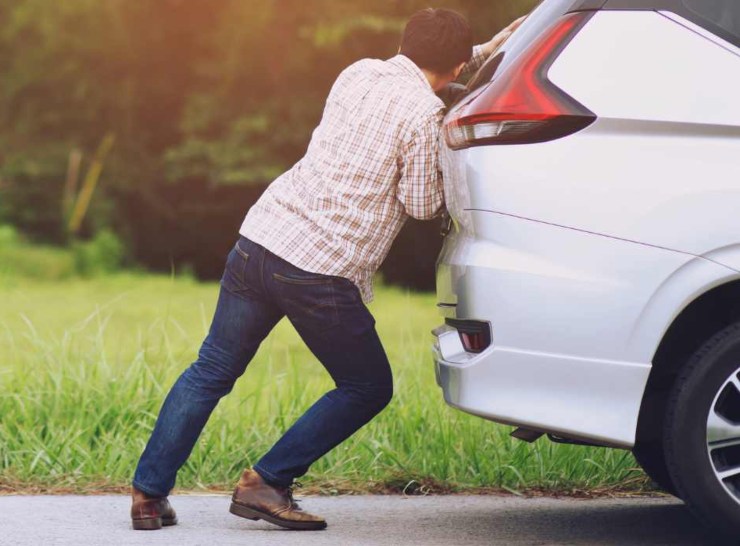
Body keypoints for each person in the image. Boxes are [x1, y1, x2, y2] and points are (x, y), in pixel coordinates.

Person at [130, 7, 524, 532]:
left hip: (261, 238)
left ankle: (147, 496)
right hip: (319, 269)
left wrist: (494, 45)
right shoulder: (423, 115)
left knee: (211, 371)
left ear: (407, 42)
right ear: (453, 67)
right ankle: (266, 481)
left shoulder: (358, 71)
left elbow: (440, 65)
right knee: (367, 386)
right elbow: (422, 203)